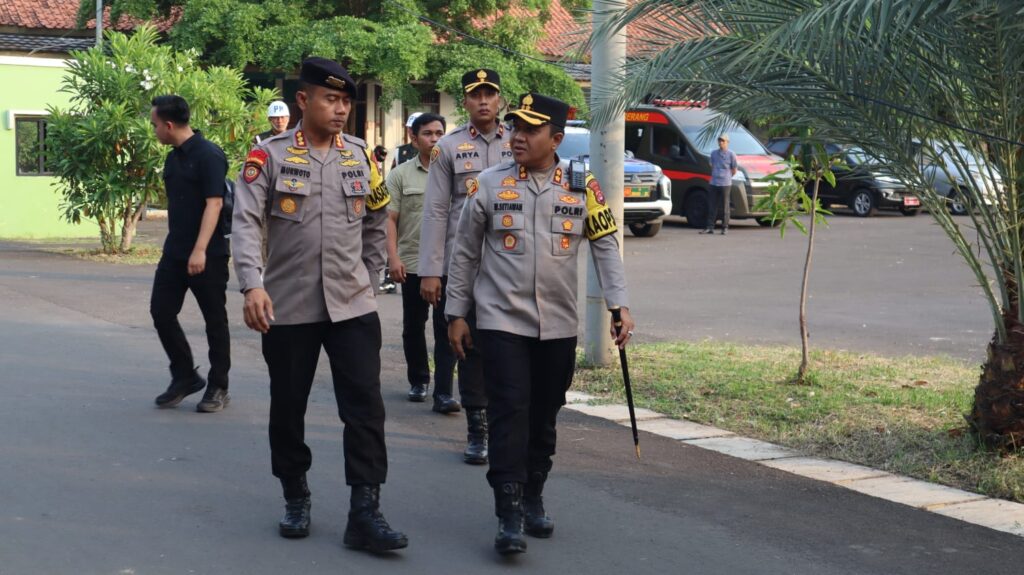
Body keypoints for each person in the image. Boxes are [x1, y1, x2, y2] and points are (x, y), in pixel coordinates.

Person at [445, 92, 634, 555]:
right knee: (510, 410)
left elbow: (606, 244)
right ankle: (507, 510)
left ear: (556, 138)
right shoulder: (487, 185)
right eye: (515, 128)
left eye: (529, 130)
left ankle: (533, 494)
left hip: (557, 324)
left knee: (544, 413)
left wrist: (619, 305)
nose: (518, 137)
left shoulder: (581, 187)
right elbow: (465, 253)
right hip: (500, 321)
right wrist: (455, 313)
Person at [231, 57, 407, 553]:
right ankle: (295, 493)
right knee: (289, 406)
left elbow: (376, 220)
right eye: (331, 99)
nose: (340, 109)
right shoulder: (269, 157)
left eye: (346, 101)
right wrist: (252, 285)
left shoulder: (361, 157)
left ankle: (365, 512)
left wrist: (369, 275)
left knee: (366, 410)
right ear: (303, 101)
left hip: (352, 306)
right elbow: (246, 223)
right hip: (287, 305)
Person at [418, 69, 513, 465]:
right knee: (467, 345)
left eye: (490, 94)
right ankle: (478, 429)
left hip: (511, 264)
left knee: (508, 346)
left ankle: (504, 425)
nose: (484, 101)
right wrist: (430, 270)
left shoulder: (519, 140)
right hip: (465, 265)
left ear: (500, 99)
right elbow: (437, 210)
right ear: (466, 102)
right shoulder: (450, 147)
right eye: (476, 96)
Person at [149, 94, 231, 413]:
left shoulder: (209, 155)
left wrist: (199, 251)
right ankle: (184, 375)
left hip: (207, 255)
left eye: (155, 124)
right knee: (161, 311)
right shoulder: (173, 157)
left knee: (215, 321)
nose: (153, 129)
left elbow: (215, 203)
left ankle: (218, 385)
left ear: (169, 125)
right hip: (174, 253)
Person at [384, 113, 449, 403]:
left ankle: (444, 390)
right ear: (414, 138)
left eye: (439, 133)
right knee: (414, 325)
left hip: (448, 263)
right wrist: (393, 258)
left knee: (446, 325)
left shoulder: (455, 173)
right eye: (428, 133)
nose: (434, 139)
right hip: (412, 262)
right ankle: (419, 380)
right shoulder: (400, 175)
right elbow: (390, 220)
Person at [704, 133, 738, 235]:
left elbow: (734, 169)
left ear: (727, 142)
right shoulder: (714, 153)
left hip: (725, 183)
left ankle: (725, 227)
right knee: (712, 205)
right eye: (719, 140)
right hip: (714, 182)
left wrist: (726, 176)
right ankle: (710, 227)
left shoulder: (731, 154)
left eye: (723, 141)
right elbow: (712, 165)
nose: (721, 142)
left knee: (725, 206)